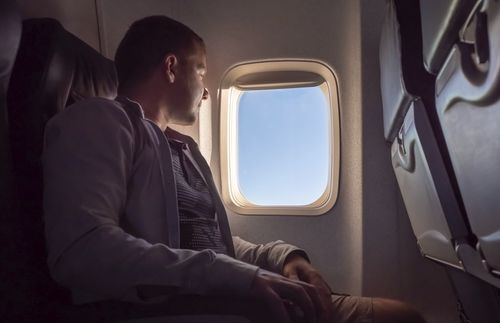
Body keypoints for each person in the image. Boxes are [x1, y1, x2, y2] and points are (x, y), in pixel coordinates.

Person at [42, 15, 425, 323]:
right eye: (203, 72)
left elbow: (216, 245)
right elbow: (84, 251)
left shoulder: (183, 149)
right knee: (402, 318)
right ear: (171, 68)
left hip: (215, 297)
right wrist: (238, 278)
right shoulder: (99, 121)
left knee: (402, 314)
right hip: (166, 308)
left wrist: (287, 258)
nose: (206, 91)